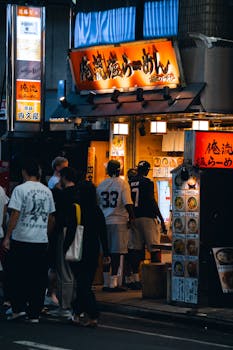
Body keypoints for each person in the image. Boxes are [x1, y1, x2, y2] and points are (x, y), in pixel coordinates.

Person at [2, 159, 55, 323]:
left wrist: (7, 236)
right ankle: (34, 313)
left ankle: (18, 308)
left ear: (24, 172)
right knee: (38, 278)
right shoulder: (47, 191)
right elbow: (52, 217)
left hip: (21, 238)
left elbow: (15, 214)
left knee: (19, 275)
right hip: (40, 240)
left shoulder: (20, 189)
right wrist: (45, 233)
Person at [63, 178, 110, 327]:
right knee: (85, 283)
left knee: (82, 285)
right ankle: (76, 314)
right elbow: (103, 233)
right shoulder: (97, 210)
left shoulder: (75, 208)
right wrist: (107, 253)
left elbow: (71, 231)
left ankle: (93, 314)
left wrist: (65, 248)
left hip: (79, 249)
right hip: (93, 250)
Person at [128, 160, 167, 290]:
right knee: (154, 247)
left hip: (134, 217)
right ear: (146, 170)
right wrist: (161, 218)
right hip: (147, 218)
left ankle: (135, 279)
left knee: (135, 249)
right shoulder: (147, 182)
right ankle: (156, 279)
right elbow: (151, 200)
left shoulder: (130, 182)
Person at [97, 160, 134, 292]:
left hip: (104, 221)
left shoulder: (101, 185)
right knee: (116, 252)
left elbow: (98, 204)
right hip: (119, 220)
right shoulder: (123, 184)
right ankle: (114, 282)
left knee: (106, 252)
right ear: (119, 170)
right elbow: (128, 203)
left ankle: (106, 281)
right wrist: (132, 218)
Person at [51, 166, 78, 316]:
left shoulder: (62, 195)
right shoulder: (81, 193)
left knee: (64, 269)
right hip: (80, 234)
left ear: (64, 177)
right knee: (74, 269)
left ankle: (65, 306)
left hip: (65, 232)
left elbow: (57, 217)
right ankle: (75, 303)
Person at [47, 156, 68, 305]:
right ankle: (51, 291)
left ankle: (51, 291)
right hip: (56, 226)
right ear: (57, 168)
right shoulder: (55, 183)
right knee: (55, 263)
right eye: (64, 167)